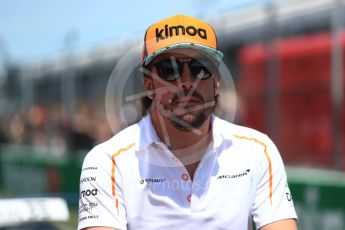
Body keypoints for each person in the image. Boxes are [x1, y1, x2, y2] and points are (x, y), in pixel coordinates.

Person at [78, 15, 298, 230]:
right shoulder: (108, 161)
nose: (186, 82)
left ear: (217, 82)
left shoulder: (258, 151)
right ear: (149, 85)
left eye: (200, 68)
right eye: (169, 70)